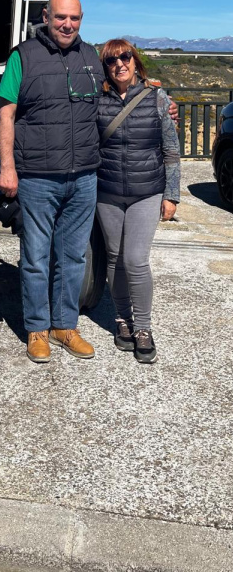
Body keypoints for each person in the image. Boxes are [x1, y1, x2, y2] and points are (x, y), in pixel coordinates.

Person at [0, 0, 104, 363]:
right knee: (37, 257)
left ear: (81, 19)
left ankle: (65, 326)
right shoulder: (23, 56)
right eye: (60, 17)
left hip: (84, 176)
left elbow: (112, 99)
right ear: (46, 16)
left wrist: (158, 102)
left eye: (74, 18)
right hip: (38, 178)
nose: (67, 25)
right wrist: (8, 167)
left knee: (73, 258)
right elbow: (5, 113)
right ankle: (37, 329)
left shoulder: (91, 56)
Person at [96, 39, 181, 364]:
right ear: (106, 66)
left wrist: (171, 195)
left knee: (135, 259)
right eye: (112, 59)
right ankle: (122, 321)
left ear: (135, 61)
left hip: (147, 192)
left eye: (125, 56)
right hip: (108, 192)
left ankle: (143, 327)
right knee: (115, 258)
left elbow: (171, 151)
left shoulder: (157, 99)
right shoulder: (98, 101)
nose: (120, 63)